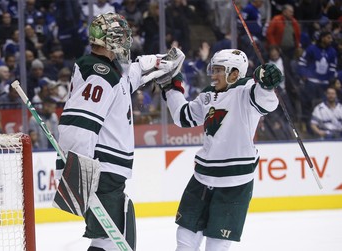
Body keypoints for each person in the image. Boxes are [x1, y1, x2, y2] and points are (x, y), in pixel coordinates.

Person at [56, 13, 184, 251]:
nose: (127, 42)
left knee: (109, 239)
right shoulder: (100, 74)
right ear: (111, 39)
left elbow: (128, 79)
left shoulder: (109, 72)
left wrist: (156, 61)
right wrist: (77, 173)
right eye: (123, 36)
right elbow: (78, 125)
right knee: (114, 241)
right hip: (101, 170)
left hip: (108, 172)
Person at [159, 49, 283, 250]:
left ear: (234, 73)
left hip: (234, 182)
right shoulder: (208, 94)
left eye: (218, 70)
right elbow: (183, 116)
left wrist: (267, 85)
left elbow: (266, 103)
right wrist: (171, 87)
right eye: (213, 69)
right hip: (202, 177)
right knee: (184, 239)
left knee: (217, 246)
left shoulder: (247, 90)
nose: (213, 75)